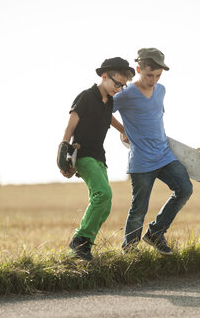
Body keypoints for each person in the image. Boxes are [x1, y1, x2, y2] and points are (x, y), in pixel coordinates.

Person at [111, 48, 197, 255]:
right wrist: (123, 130)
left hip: (165, 155)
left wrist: (186, 153)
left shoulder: (161, 91)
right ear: (139, 69)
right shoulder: (125, 94)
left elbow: (155, 122)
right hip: (141, 161)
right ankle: (129, 251)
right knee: (139, 208)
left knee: (185, 189)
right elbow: (103, 112)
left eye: (158, 76)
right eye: (150, 75)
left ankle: (156, 233)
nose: (154, 80)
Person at [59, 57, 135, 261]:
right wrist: (64, 149)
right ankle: (80, 241)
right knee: (102, 194)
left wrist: (124, 130)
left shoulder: (108, 101)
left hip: (99, 156)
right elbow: (71, 123)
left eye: (122, 85)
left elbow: (108, 118)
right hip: (82, 154)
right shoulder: (86, 96)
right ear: (104, 76)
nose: (118, 88)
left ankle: (81, 249)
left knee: (105, 202)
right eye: (116, 83)